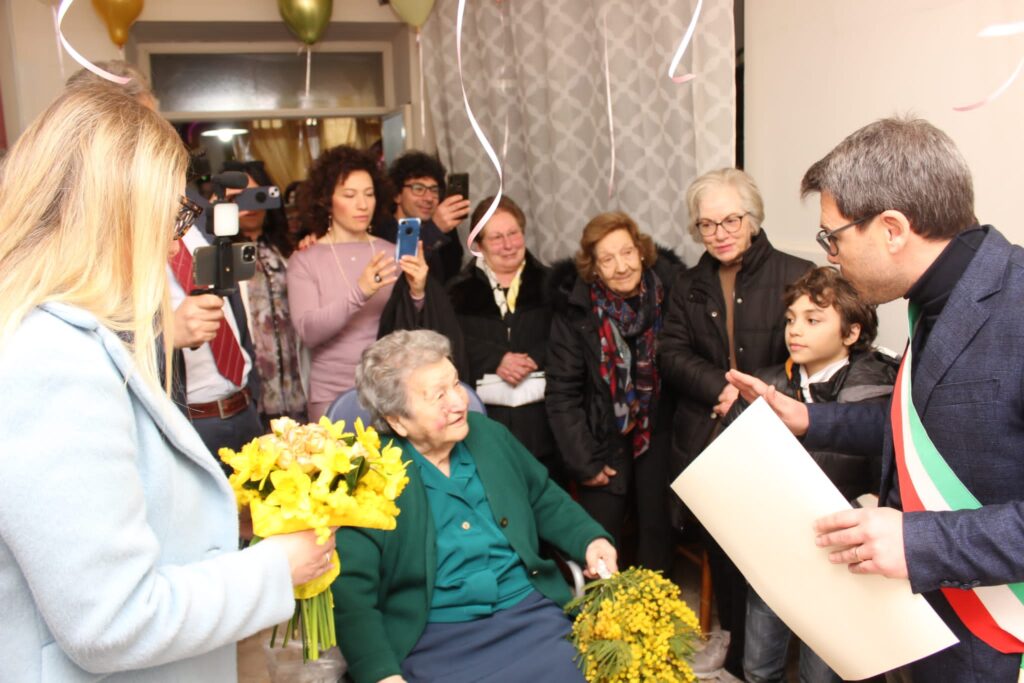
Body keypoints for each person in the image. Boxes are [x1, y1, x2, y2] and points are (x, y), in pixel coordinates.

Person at [0, 85, 335, 682]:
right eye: (177, 213)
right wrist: (276, 568)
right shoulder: (50, 359)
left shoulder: (83, 334)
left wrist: (219, 515)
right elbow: (111, 620)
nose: (178, 236)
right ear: (116, 214)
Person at [725, 116, 1024, 682]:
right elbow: (922, 424)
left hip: (998, 644)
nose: (830, 255)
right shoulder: (935, 300)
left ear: (892, 228)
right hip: (926, 626)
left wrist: (920, 540)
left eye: (832, 236)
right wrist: (809, 420)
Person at [331, 330, 618, 683]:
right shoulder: (370, 475)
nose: (459, 401)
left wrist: (591, 540)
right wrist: (380, 673)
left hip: (529, 616)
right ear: (397, 420)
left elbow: (543, 497)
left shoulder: (487, 435)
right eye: (439, 396)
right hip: (434, 637)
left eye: (456, 384)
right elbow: (351, 596)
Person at [658, 168, 813, 678]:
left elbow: (811, 353)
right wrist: (723, 390)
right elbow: (671, 353)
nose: (720, 233)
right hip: (708, 433)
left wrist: (753, 395)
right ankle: (743, 653)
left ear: (753, 219)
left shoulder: (797, 273)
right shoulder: (686, 283)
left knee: (775, 550)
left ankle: (774, 654)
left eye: (731, 220)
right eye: (707, 224)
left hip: (773, 431)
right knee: (723, 549)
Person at [723, 267, 898, 683]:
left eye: (813, 319)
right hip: (774, 546)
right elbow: (730, 458)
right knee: (758, 664)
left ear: (851, 334)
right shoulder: (767, 382)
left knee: (823, 672)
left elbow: (868, 469)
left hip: (834, 555)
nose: (795, 330)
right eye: (790, 319)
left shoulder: (872, 390)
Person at [546, 212, 680, 574]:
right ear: (594, 268)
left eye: (627, 252)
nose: (621, 266)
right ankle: (604, 620)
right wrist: (583, 461)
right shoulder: (577, 310)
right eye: (607, 259)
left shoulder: (671, 296)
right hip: (601, 437)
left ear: (641, 252)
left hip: (658, 430)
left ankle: (655, 612)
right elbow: (562, 394)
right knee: (600, 537)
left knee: (657, 529)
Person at [287, 145, 430, 420]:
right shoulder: (305, 259)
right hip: (331, 394)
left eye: (369, 194)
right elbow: (309, 332)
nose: (363, 205)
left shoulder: (391, 252)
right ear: (327, 201)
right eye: (349, 195)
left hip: (392, 391)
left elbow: (413, 326)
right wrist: (361, 291)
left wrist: (419, 290)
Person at [447, 196, 560, 478]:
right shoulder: (455, 293)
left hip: (547, 425)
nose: (508, 245)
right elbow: (449, 345)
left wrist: (536, 357)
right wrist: (496, 358)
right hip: (484, 425)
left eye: (513, 233)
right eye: (496, 237)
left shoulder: (554, 285)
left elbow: (569, 339)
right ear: (478, 245)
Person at [222, 160, 306, 425]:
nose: (249, 206)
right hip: (250, 382)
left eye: (256, 195)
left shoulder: (289, 251)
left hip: (296, 379)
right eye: (238, 198)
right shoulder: (219, 255)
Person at [379, 151, 470, 283]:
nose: (429, 198)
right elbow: (402, 273)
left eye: (434, 190)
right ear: (396, 195)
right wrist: (435, 229)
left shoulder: (445, 232)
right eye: (418, 188)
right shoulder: (382, 233)